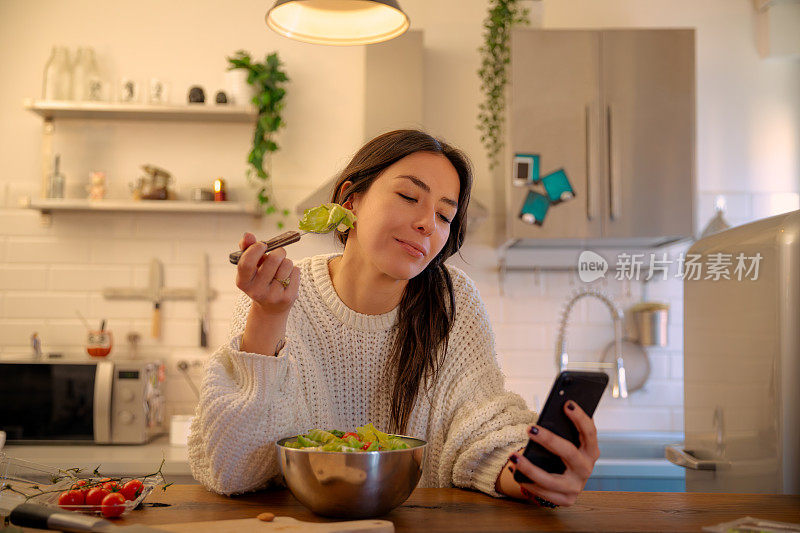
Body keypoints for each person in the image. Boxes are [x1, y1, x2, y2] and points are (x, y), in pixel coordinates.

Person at [187, 129, 600, 507]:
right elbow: (234, 468)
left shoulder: (452, 302)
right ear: (350, 199)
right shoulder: (279, 296)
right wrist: (269, 316)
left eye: (444, 215)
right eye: (408, 197)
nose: (426, 224)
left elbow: (481, 427)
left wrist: (531, 473)